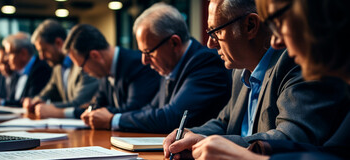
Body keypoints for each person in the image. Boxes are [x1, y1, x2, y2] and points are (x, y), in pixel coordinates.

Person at [192, 0, 350, 160]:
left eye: (279, 21)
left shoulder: (289, 64)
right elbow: (334, 156)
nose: (275, 42)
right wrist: (257, 149)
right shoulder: (241, 71)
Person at [164, 0, 349, 158]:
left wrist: (215, 145)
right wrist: (193, 136)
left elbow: (293, 139)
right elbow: (225, 122)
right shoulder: (240, 69)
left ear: (250, 26)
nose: (210, 43)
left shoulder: (294, 61)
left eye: (216, 32)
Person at [83, 3, 231, 133]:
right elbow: (150, 109)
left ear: (174, 43)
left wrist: (113, 120)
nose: (144, 61)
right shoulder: (170, 65)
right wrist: (112, 117)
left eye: (148, 52)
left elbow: (172, 117)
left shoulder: (206, 62)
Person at [62, 24, 161, 120]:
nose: (83, 71)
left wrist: (101, 112)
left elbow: (134, 110)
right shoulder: (104, 72)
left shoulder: (138, 64)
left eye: (81, 66)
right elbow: (96, 105)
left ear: (95, 56)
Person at [23, 19, 99, 118]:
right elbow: (46, 92)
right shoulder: (57, 67)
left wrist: (47, 107)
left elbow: (80, 103)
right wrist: (34, 101)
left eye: (44, 50)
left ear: (58, 43)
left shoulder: (84, 64)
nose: (41, 57)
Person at [0, 32, 52, 106]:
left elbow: (31, 101)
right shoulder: (16, 72)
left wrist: (1, 102)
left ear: (23, 54)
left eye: (9, 53)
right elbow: (12, 99)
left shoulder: (41, 69)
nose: (6, 58)